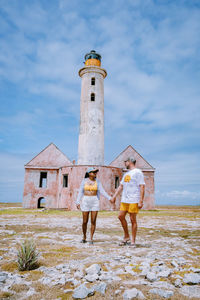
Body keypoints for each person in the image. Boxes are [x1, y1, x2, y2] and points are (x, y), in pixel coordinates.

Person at [110, 157, 145, 246]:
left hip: (133, 199)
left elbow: (142, 186)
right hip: (124, 200)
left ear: (129, 162)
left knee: (133, 220)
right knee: (120, 216)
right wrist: (114, 196)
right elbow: (121, 186)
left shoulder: (138, 172)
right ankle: (126, 236)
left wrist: (141, 200)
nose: (124, 163)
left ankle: (133, 241)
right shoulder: (126, 174)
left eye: (125, 162)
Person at [76, 167, 112, 244]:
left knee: (93, 220)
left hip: (94, 201)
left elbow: (102, 191)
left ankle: (91, 238)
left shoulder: (98, 181)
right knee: (85, 221)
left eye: (96, 172)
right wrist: (77, 202)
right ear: (89, 173)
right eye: (93, 172)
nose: (95, 173)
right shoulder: (84, 181)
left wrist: (109, 198)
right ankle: (84, 237)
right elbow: (80, 192)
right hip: (86, 200)